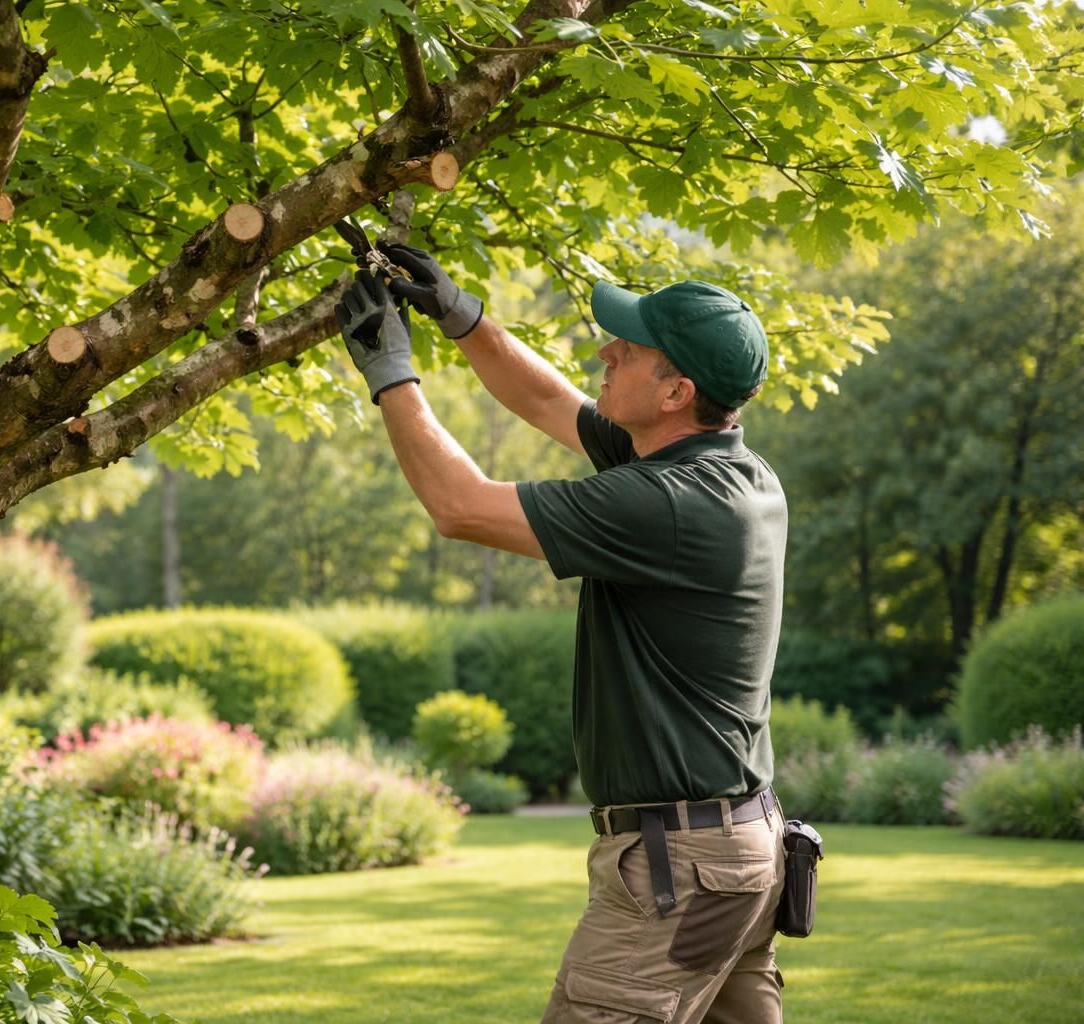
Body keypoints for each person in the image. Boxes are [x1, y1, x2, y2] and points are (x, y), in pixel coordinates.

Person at [335, 244, 789, 1024]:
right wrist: (462, 316)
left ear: (677, 391)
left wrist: (389, 371)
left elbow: (461, 505)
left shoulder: (668, 503)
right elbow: (550, 404)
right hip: (735, 850)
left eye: (630, 350)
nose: (605, 351)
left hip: (681, 868)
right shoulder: (727, 469)